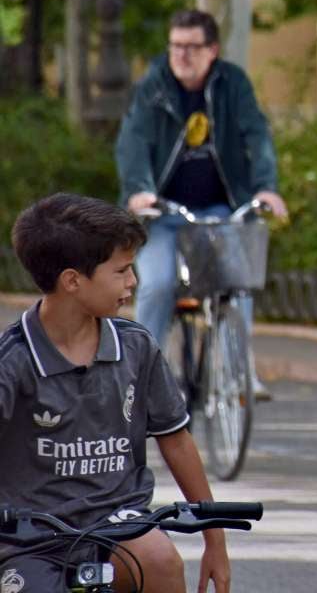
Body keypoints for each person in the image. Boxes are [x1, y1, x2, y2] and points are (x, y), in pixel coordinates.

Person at [1, 193, 231, 593]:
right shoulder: (13, 361)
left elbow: (175, 440)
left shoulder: (136, 347)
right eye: (122, 270)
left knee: (161, 562)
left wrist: (215, 540)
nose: (133, 282)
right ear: (72, 280)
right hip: (29, 542)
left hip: (119, 528)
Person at [115, 9, 286, 399]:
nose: (182, 55)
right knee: (156, 285)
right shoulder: (154, 86)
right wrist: (140, 190)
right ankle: (143, 377)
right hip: (163, 213)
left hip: (219, 210)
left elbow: (257, 135)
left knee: (236, 283)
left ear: (213, 50)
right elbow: (133, 141)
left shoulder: (232, 84)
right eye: (176, 46)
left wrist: (266, 188)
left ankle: (237, 373)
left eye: (192, 47)